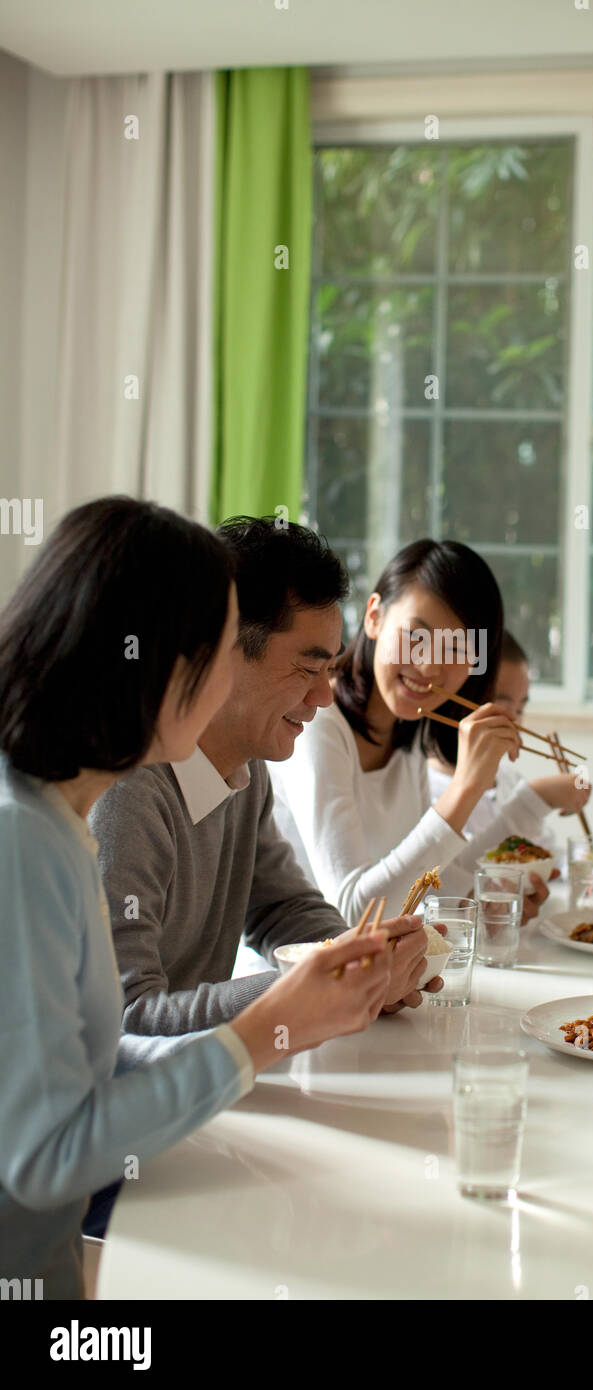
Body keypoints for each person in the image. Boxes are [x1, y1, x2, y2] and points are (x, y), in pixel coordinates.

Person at [0, 498, 394, 1299]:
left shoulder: (57, 818)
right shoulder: (27, 841)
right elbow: (41, 1157)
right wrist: (267, 1026)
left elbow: (97, 1061)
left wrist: (318, 990)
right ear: (154, 663)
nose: (324, 697)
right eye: (218, 648)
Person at [90, 517, 432, 1038]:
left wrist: (363, 963)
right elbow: (126, 1019)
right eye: (306, 669)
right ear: (219, 652)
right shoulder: (128, 788)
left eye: (330, 670)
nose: (324, 697)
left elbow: (281, 908)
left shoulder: (245, 767)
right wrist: (312, 989)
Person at [269, 539, 588, 921]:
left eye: (456, 649)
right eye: (417, 637)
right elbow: (354, 913)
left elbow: (428, 886)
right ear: (374, 617)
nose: (430, 667)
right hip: (289, 972)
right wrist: (466, 788)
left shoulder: (410, 728)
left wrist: (529, 805)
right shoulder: (319, 721)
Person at [427, 629, 590, 841]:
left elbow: (547, 857)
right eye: (501, 707)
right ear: (456, 700)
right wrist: (535, 799)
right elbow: (461, 870)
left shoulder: (510, 782)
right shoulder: (425, 791)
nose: (514, 723)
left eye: (520, 710)